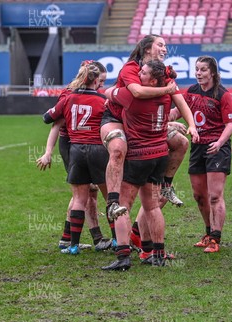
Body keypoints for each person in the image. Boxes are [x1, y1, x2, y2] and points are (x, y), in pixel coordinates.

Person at [101, 34, 199, 224]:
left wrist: (193, 126)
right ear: (147, 49)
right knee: (119, 149)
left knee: (181, 142)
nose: (165, 49)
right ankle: (112, 201)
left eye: (166, 46)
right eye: (160, 45)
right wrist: (166, 91)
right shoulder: (131, 68)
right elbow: (137, 92)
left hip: (139, 121)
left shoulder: (163, 72)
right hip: (115, 117)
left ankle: (166, 186)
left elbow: (180, 101)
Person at [102, 60, 177, 270]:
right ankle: (158, 255)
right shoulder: (166, 95)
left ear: (152, 80)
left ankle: (123, 257)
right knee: (152, 207)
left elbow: (107, 92)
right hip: (160, 155)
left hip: (138, 156)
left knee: (122, 205)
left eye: (142, 73)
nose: (138, 75)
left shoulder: (132, 97)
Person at [37, 61, 113, 252]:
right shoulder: (95, 98)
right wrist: (48, 152)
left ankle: (73, 243)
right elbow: (55, 124)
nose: (103, 85)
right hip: (78, 144)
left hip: (77, 147)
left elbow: (48, 118)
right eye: (101, 81)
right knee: (99, 194)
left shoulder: (70, 96)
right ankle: (110, 240)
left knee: (85, 194)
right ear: (94, 80)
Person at [181, 56, 232, 253]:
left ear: (212, 72)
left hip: (217, 148)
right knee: (199, 196)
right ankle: (207, 232)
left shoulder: (223, 94)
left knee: (214, 196)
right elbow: (179, 110)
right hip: (197, 146)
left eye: (203, 70)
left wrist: (220, 143)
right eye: (197, 69)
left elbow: (231, 124)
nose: (199, 73)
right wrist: (162, 118)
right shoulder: (192, 92)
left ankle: (215, 238)